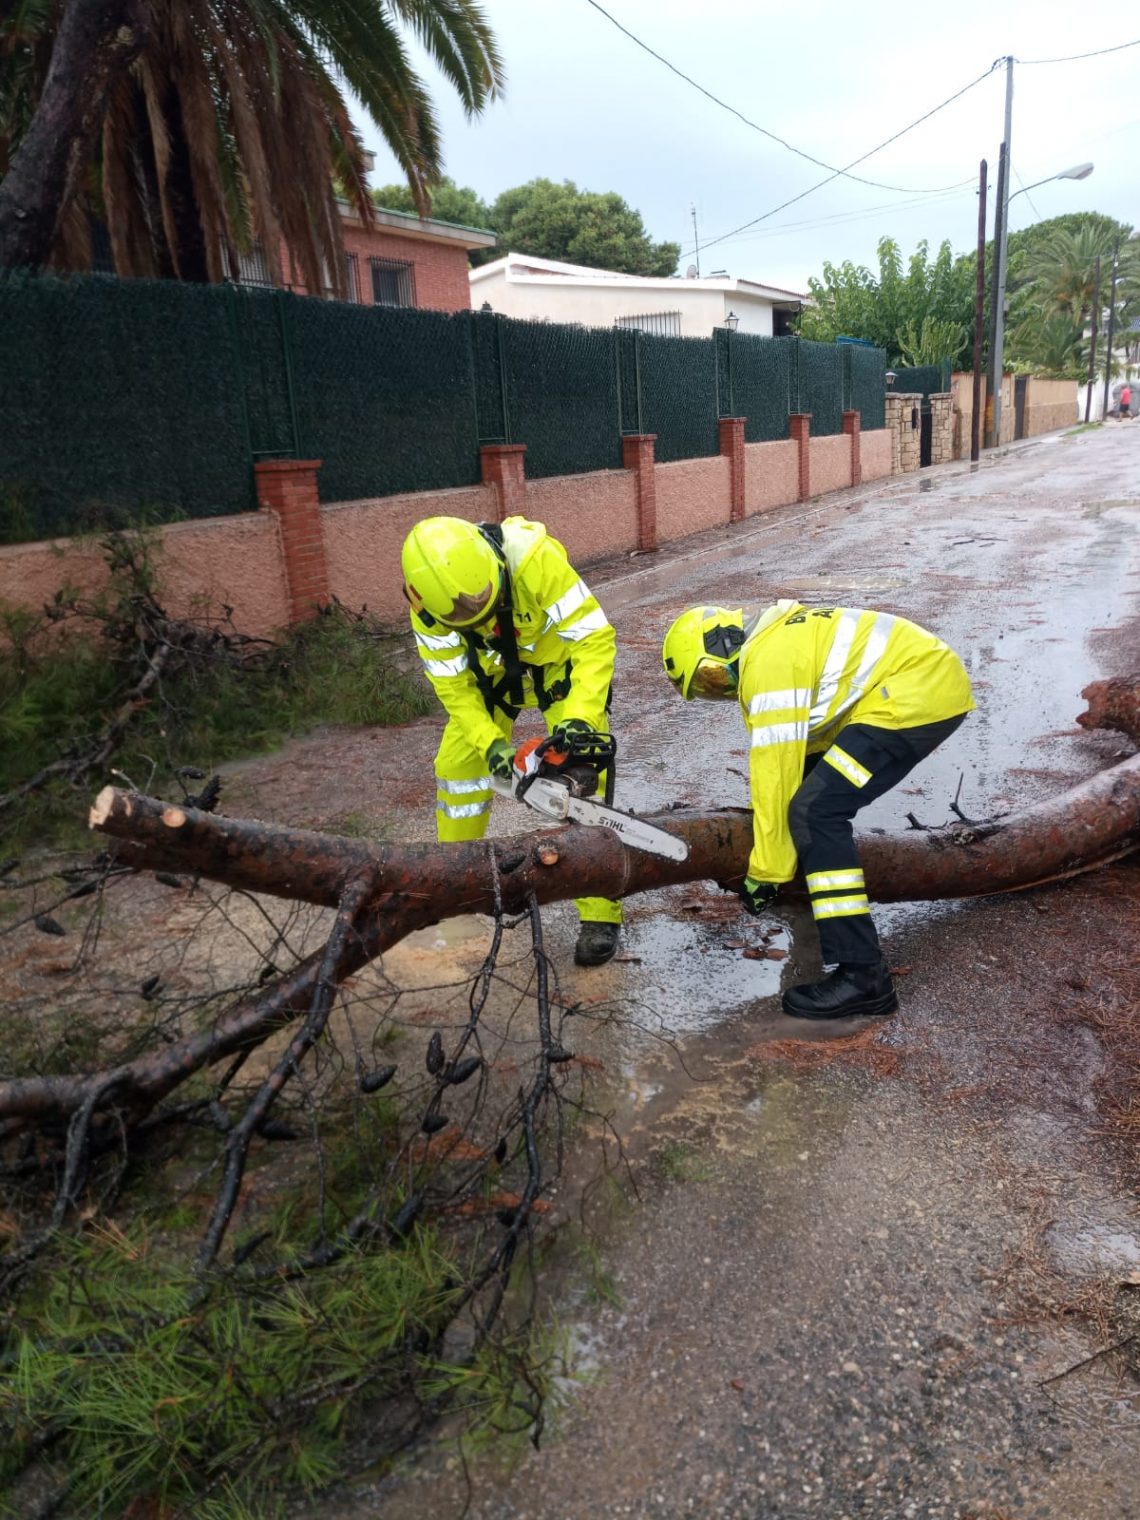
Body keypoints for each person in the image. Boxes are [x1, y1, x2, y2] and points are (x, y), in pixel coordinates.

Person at [661, 601, 974, 1020]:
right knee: (809, 797)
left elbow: (774, 773)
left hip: (914, 695)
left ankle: (865, 976)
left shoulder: (767, 662)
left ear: (724, 641)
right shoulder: (777, 638)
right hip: (919, 685)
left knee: (817, 812)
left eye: (711, 675)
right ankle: (811, 888)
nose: (719, 687)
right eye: (706, 687)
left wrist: (766, 872)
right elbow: (795, 758)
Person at [401, 515, 623, 966]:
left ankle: (600, 912)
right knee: (457, 768)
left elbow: (593, 640)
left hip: (559, 670)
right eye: (459, 613)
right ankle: (454, 889)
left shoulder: (534, 559)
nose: (470, 613)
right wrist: (490, 745)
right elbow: (453, 687)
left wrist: (579, 719)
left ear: (491, 563)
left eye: (478, 602)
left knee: (582, 778)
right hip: (493, 679)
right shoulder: (427, 609)